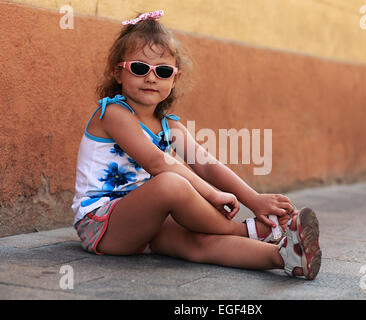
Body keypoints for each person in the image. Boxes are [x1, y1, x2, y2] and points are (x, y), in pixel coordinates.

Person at [71, 10, 321, 280]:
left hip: (146, 222)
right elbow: (157, 163)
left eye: (163, 71)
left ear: (174, 79)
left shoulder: (170, 126)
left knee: (197, 242)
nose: (151, 78)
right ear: (118, 73)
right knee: (170, 182)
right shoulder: (113, 113)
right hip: (103, 226)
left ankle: (285, 257)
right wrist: (212, 196)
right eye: (140, 68)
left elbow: (206, 164)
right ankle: (246, 231)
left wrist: (255, 200)